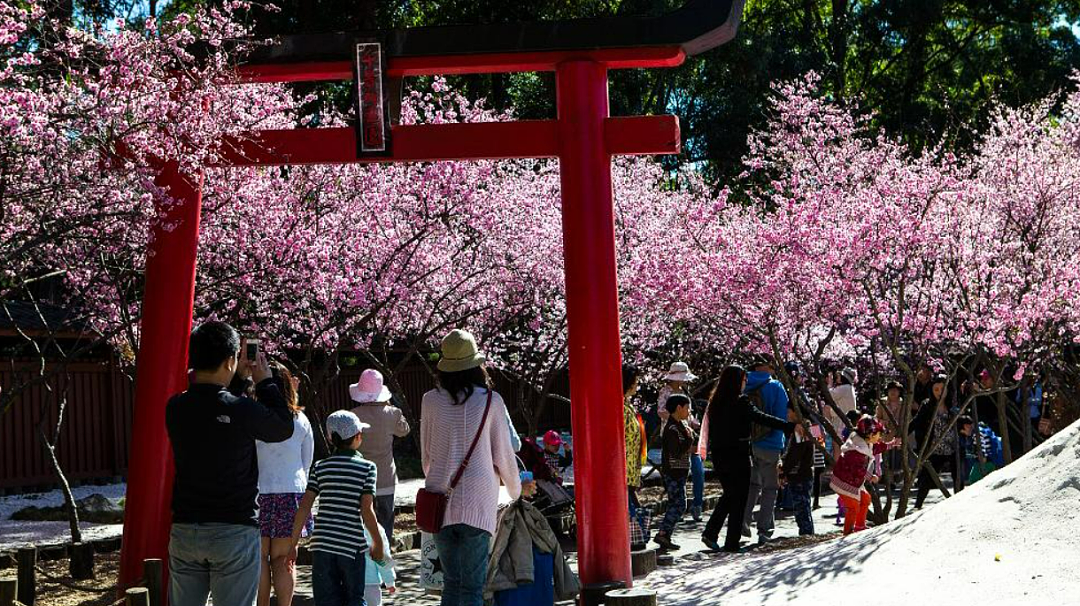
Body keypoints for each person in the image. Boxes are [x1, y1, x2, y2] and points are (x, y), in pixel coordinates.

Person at [166, 322, 295, 606]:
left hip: (186, 528)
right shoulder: (239, 409)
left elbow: (214, 403)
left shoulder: (175, 407)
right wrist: (264, 382)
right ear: (230, 360)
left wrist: (237, 381)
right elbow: (282, 427)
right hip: (233, 528)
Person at [421, 329, 521, 606]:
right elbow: (503, 454)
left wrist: (437, 478)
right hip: (478, 500)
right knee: (473, 587)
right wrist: (516, 491)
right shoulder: (491, 401)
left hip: (439, 498)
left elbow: (426, 455)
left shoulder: (430, 400)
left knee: (451, 583)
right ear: (475, 364)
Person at [290, 410, 385, 606]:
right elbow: (367, 510)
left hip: (322, 544)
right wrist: (378, 542)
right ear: (358, 436)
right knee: (355, 599)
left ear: (329, 438)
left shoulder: (320, 467)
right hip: (351, 546)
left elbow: (305, 506)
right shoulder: (367, 468)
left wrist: (292, 545)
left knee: (325, 601)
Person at [700, 365, 794, 553]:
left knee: (729, 494)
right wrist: (787, 426)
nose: (745, 383)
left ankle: (711, 533)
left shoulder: (715, 401)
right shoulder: (741, 401)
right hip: (738, 453)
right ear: (737, 381)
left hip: (719, 454)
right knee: (739, 497)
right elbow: (760, 417)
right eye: (743, 380)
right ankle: (731, 542)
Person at [256, 363, 315, 606]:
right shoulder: (300, 419)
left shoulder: (254, 415)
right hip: (291, 494)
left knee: (258, 559)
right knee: (283, 559)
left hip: (257, 494)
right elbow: (307, 461)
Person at [348, 368, 411, 541]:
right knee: (386, 520)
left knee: (363, 521)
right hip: (385, 477)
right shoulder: (392, 413)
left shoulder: (354, 415)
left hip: (361, 477)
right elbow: (404, 431)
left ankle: (366, 559)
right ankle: (385, 557)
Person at [741, 354, 790, 545]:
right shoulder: (776, 386)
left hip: (749, 443)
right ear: (768, 366)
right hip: (771, 443)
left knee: (752, 486)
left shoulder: (744, 383)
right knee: (770, 487)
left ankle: (743, 523)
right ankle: (764, 530)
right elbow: (781, 417)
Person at [829, 415, 895, 535]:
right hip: (843, 482)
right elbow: (858, 469)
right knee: (853, 506)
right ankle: (848, 533)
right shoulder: (856, 450)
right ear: (870, 435)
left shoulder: (865, 443)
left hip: (853, 481)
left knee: (865, 499)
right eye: (879, 434)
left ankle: (859, 525)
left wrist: (890, 444)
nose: (880, 437)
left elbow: (876, 448)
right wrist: (871, 477)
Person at [658, 362, 705, 522]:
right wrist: (676, 418)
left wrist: (691, 422)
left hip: (688, 433)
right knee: (676, 473)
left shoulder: (686, 391)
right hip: (673, 436)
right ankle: (676, 507)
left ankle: (697, 504)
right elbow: (661, 411)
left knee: (697, 469)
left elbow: (689, 414)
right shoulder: (665, 392)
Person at [654, 394, 696, 550]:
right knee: (678, 504)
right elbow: (676, 451)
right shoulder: (671, 428)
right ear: (679, 408)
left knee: (678, 504)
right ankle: (663, 533)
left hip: (681, 471)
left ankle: (665, 535)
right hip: (673, 472)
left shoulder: (681, 425)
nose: (689, 411)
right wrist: (689, 441)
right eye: (687, 408)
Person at [913, 375, 959, 509]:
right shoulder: (927, 405)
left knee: (957, 477)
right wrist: (900, 436)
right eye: (936, 389)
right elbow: (917, 421)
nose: (939, 392)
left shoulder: (953, 405)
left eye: (942, 389)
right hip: (934, 448)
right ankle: (918, 505)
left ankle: (959, 502)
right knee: (927, 479)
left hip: (952, 447)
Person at [780, 405, 816, 536]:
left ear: (796, 413)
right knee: (804, 506)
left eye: (788, 411)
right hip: (805, 473)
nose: (787, 414)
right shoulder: (810, 427)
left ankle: (807, 534)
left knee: (802, 508)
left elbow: (795, 454)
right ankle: (807, 533)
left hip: (800, 474)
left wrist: (784, 470)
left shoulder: (802, 429)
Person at [623, 365, 648, 549]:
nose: (637, 385)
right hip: (624, 470)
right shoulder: (621, 408)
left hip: (631, 469)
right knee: (630, 509)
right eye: (635, 382)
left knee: (633, 506)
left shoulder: (627, 406)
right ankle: (636, 539)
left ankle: (638, 537)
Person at [362, 524, 396, 606]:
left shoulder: (345, 526)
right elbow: (383, 557)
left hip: (347, 583)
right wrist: (390, 581)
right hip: (370, 584)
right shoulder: (375, 529)